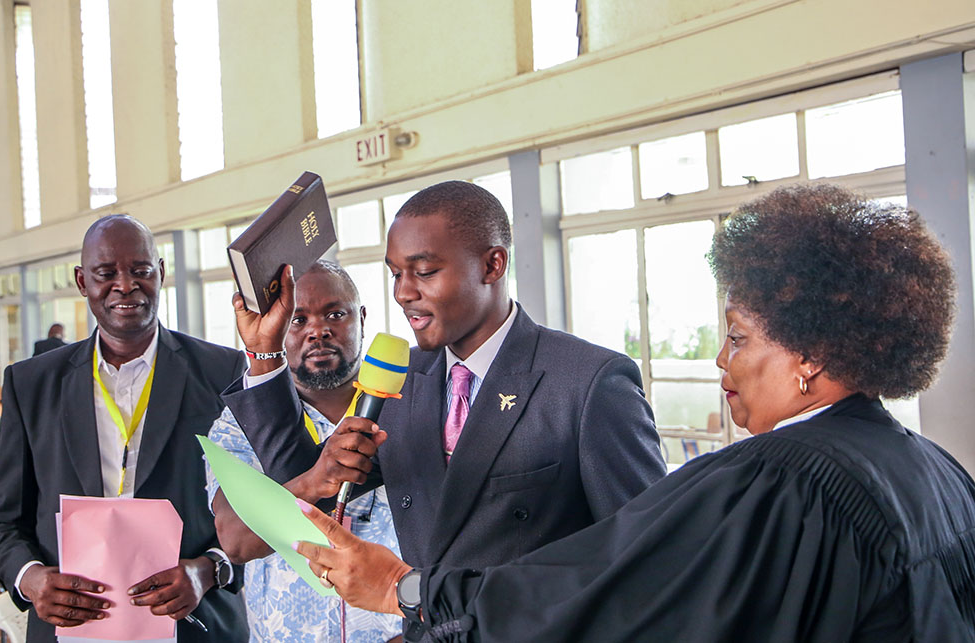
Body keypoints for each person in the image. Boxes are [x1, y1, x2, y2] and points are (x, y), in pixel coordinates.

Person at [294, 184, 975, 642]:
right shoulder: (936, 471)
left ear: (813, 355)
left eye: (738, 337)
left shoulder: (779, 482)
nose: (720, 361)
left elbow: (613, 585)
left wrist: (407, 590)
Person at [221, 181, 665, 635]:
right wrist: (265, 353)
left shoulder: (587, 381)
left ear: (493, 264)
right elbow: (302, 477)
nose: (403, 293)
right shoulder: (404, 376)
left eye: (425, 271)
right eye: (395, 274)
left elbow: (649, 557)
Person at [0, 215, 249, 642]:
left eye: (141, 271)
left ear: (160, 273)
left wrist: (208, 571)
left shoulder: (222, 372)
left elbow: (257, 514)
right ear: (81, 281)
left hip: (194, 624)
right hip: (70, 628)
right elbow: (2, 525)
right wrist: (32, 580)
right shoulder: (30, 384)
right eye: (106, 273)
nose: (125, 285)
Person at [206, 261, 402, 642]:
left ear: (361, 317)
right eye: (299, 319)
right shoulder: (238, 424)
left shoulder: (409, 404)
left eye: (335, 314)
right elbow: (236, 540)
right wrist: (313, 482)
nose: (318, 331)